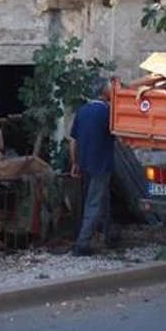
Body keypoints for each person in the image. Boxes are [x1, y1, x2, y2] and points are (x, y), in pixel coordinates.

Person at [68, 78, 119, 256]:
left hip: (86, 163)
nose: (113, 90)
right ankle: (82, 244)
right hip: (101, 164)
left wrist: (75, 163)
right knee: (95, 202)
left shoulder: (82, 111)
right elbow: (120, 136)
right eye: (110, 88)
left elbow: (73, 140)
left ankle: (109, 235)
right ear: (104, 92)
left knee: (103, 199)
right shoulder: (109, 113)